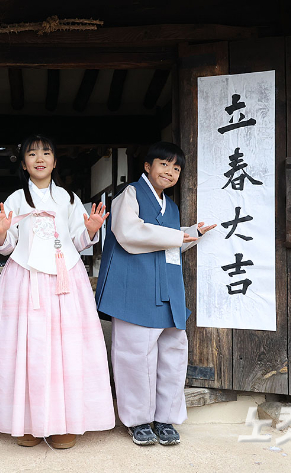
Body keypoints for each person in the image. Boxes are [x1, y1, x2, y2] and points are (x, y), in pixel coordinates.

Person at [0, 134, 115, 449]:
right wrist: (1, 232)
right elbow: (6, 247)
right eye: (32, 154)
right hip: (24, 280)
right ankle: (25, 422)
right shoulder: (15, 199)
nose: (39, 158)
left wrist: (91, 229)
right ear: (24, 163)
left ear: (54, 161)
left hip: (64, 281)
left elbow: (79, 242)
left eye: (46, 153)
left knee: (67, 349)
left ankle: (64, 423)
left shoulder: (69, 199)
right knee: (23, 348)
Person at [95, 142, 215, 447]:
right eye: (164, 164)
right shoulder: (130, 194)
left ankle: (165, 418)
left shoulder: (170, 207)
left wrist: (193, 234)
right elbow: (128, 232)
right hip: (134, 288)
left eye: (176, 168)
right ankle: (138, 420)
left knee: (173, 355)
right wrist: (177, 235)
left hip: (167, 288)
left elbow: (169, 246)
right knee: (134, 356)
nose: (170, 172)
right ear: (148, 166)